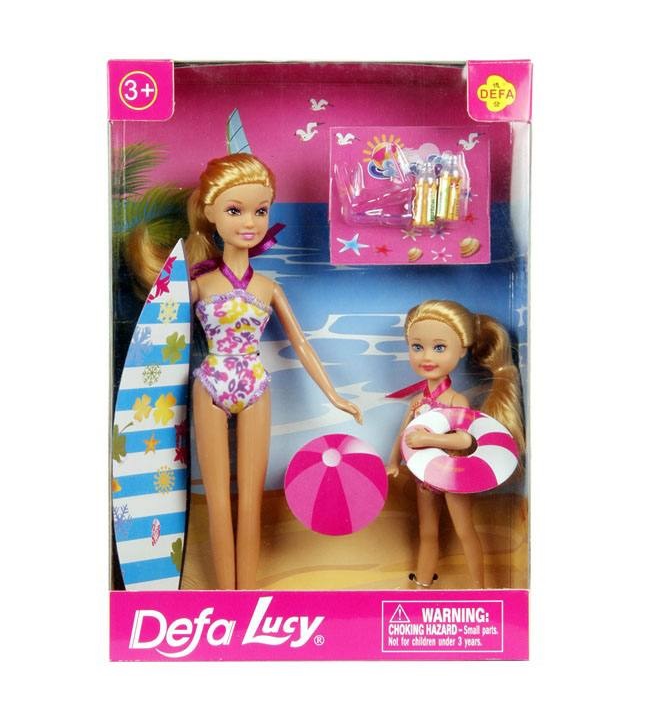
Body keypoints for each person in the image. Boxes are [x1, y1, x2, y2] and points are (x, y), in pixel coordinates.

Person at [128, 153, 361, 589]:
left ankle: (246, 597)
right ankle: (225, 597)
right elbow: (161, 334)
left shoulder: (268, 287)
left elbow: (302, 344)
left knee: (250, 501)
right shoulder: (198, 285)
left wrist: (335, 395)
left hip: (255, 384)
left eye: (260, 210)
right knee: (218, 503)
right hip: (211, 384)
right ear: (209, 211)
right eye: (235, 211)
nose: (250, 222)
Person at [386, 299, 524, 589]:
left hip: (454, 476)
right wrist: (393, 462)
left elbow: (465, 439)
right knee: (427, 532)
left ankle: (479, 587)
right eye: (417, 346)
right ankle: (423, 584)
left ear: (461, 350)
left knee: (464, 530)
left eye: (439, 348)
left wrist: (428, 439)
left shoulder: (455, 400)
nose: (426, 356)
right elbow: (403, 434)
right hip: (424, 477)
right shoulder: (417, 401)